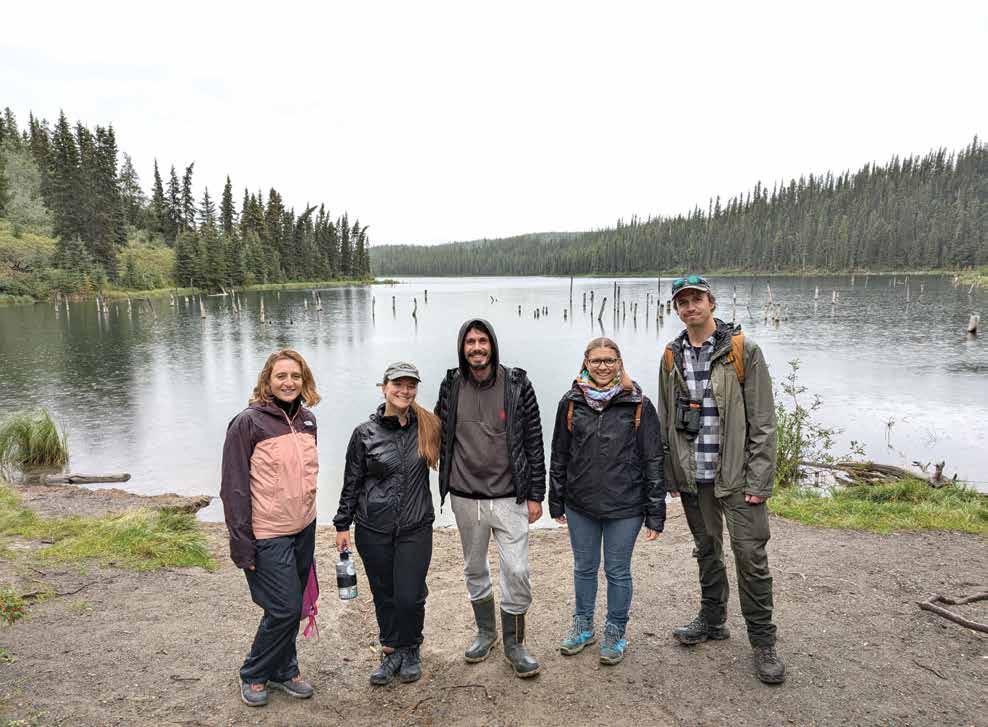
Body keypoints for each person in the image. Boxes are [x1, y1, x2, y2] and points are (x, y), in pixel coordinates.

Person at [658, 275, 786, 684]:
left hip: (737, 476)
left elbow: (763, 422)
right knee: (707, 550)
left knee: (750, 557)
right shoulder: (671, 355)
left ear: (711, 302)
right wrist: (671, 473)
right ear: (677, 309)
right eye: (682, 302)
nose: (690, 307)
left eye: (696, 299)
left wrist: (759, 481)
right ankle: (713, 620)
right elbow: (666, 418)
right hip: (695, 476)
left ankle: (763, 641)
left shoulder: (742, 350)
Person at [435, 318, 546, 678]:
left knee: (517, 569)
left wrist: (536, 494)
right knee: (474, 567)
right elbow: (437, 431)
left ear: (493, 345)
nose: (477, 348)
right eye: (470, 342)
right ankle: (486, 633)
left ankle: (515, 643)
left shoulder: (517, 383)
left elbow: (534, 439)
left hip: (510, 496)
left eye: (482, 341)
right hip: (465, 496)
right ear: (462, 347)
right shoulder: (451, 384)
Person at [548, 337, 665, 665]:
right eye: (596, 360)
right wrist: (555, 499)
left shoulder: (638, 403)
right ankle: (583, 625)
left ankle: (615, 631)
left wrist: (655, 512)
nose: (602, 366)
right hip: (580, 503)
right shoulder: (571, 401)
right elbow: (559, 454)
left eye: (609, 360)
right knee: (584, 567)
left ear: (619, 363)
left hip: (626, 506)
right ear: (586, 362)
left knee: (617, 570)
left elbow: (653, 459)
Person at [220, 349, 320, 707]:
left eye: (295, 376)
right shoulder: (248, 423)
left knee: (295, 604)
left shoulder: (308, 421)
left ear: (304, 381)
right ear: (268, 381)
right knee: (284, 608)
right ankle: (254, 672)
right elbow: (233, 488)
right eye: (281, 376)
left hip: (304, 528)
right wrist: (241, 544)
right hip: (267, 533)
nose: (288, 382)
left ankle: (284, 669)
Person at [334, 362, 441, 687]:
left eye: (411, 385)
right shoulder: (364, 434)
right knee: (384, 593)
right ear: (384, 388)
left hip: (415, 527)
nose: (404, 391)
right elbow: (352, 481)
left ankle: (412, 647)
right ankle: (391, 649)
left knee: (410, 595)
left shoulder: (428, 426)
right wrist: (342, 524)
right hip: (373, 529)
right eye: (398, 384)